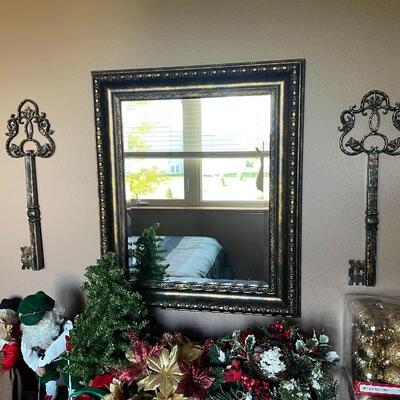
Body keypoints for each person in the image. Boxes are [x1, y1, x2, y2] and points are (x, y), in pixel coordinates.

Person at [18, 291, 73, 400]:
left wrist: (41, 362)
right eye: (30, 324)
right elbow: (26, 351)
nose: (34, 326)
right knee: (45, 373)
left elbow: (58, 346)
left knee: (72, 371)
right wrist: (36, 366)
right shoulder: (28, 331)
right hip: (45, 362)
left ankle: (74, 392)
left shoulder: (66, 325)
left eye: (38, 321)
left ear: (49, 315)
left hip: (65, 357)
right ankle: (51, 389)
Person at [0, 298, 22, 400]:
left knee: (6, 389)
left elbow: (12, 354)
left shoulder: (11, 339)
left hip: (5, 369)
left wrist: (4, 364)